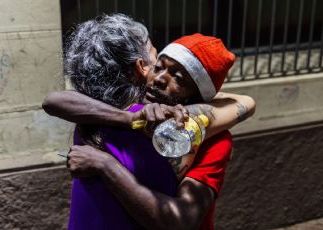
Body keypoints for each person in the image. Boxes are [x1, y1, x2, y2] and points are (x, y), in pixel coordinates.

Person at [43, 14, 255, 229]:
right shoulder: (111, 113)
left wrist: (105, 165)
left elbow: (182, 219)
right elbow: (53, 101)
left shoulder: (211, 139)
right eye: (159, 66)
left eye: (179, 79)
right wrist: (131, 118)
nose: (161, 79)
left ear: (197, 95)